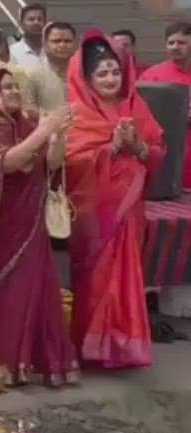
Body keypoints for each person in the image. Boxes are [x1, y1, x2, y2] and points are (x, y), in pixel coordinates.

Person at [0, 69, 79, 384]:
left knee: (36, 286)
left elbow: (49, 164)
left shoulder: (26, 122)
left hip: (30, 218)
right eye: (6, 87)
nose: (13, 92)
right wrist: (44, 130)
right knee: (9, 289)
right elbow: (7, 162)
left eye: (16, 87)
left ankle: (37, 362)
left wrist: (57, 135)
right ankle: (6, 362)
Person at [67, 32, 165, 368]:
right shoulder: (77, 114)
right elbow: (70, 162)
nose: (111, 79)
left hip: (129, 210)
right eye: (102, 74)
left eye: (115, 72)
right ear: (87, 78)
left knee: (128, 275)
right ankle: (93, 345)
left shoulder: (136, 104)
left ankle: (123, 345)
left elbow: (156, 152)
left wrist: (136, 146)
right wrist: (109, 149)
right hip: (95, 213)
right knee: (97, 279)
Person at [138, 22, 191, 187]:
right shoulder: (151, 75)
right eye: (171, 43)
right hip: (168, 152)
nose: (175, 47)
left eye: (181, 43)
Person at [20, 21, 75, 113]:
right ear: (45, 44)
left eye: (67, 41)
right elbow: (28, 109)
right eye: (56, 41)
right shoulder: (34, 76)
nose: (62, 45)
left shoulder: (84, 73)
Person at [8, 4, 48, 69]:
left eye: (40, 19)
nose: (36, 22)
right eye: (31, 19)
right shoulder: (12, 52)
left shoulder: (55, 50)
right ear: (21, 24)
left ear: (45, 23)